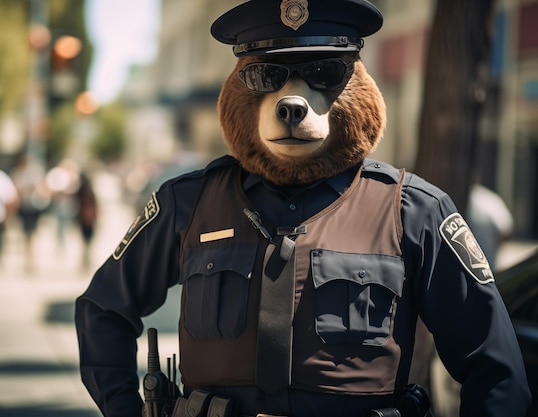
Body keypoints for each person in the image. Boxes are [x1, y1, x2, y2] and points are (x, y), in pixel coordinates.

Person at [75, 2, 530, 417]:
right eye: (266, 76)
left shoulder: (413, 212)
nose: (292, 101)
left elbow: (495, 367)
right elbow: (103, 309)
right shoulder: (188, 202)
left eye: (325, 72)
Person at [10, 155, 50, 272]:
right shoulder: (17, 173)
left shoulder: (34, 173)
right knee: (26, 233)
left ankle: (32, 259)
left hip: (33, 206)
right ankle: (27, 259)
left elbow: (41, 187)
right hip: (23, 207)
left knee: (31, 233)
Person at [466, 183, 514, 270]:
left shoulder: (487, 200)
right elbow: (506, 231)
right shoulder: (489, 199)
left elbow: (505, 231)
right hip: (486, 265)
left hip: (486, 265)